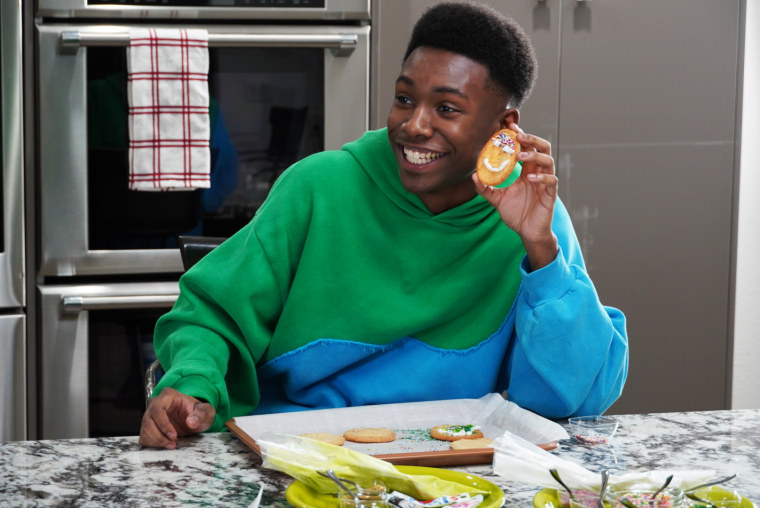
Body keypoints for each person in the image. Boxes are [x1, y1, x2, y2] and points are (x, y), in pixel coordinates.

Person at [139, 0, 628, 449]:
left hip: (453, 469)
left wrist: (541, 250)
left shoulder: (531, 217)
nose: (415, 125)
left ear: (505, 128)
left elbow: (577, 397)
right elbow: (213, 314)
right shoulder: (318, 187)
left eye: (447, 108)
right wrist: (193, 383)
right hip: (297, 456)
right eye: (404, 98)